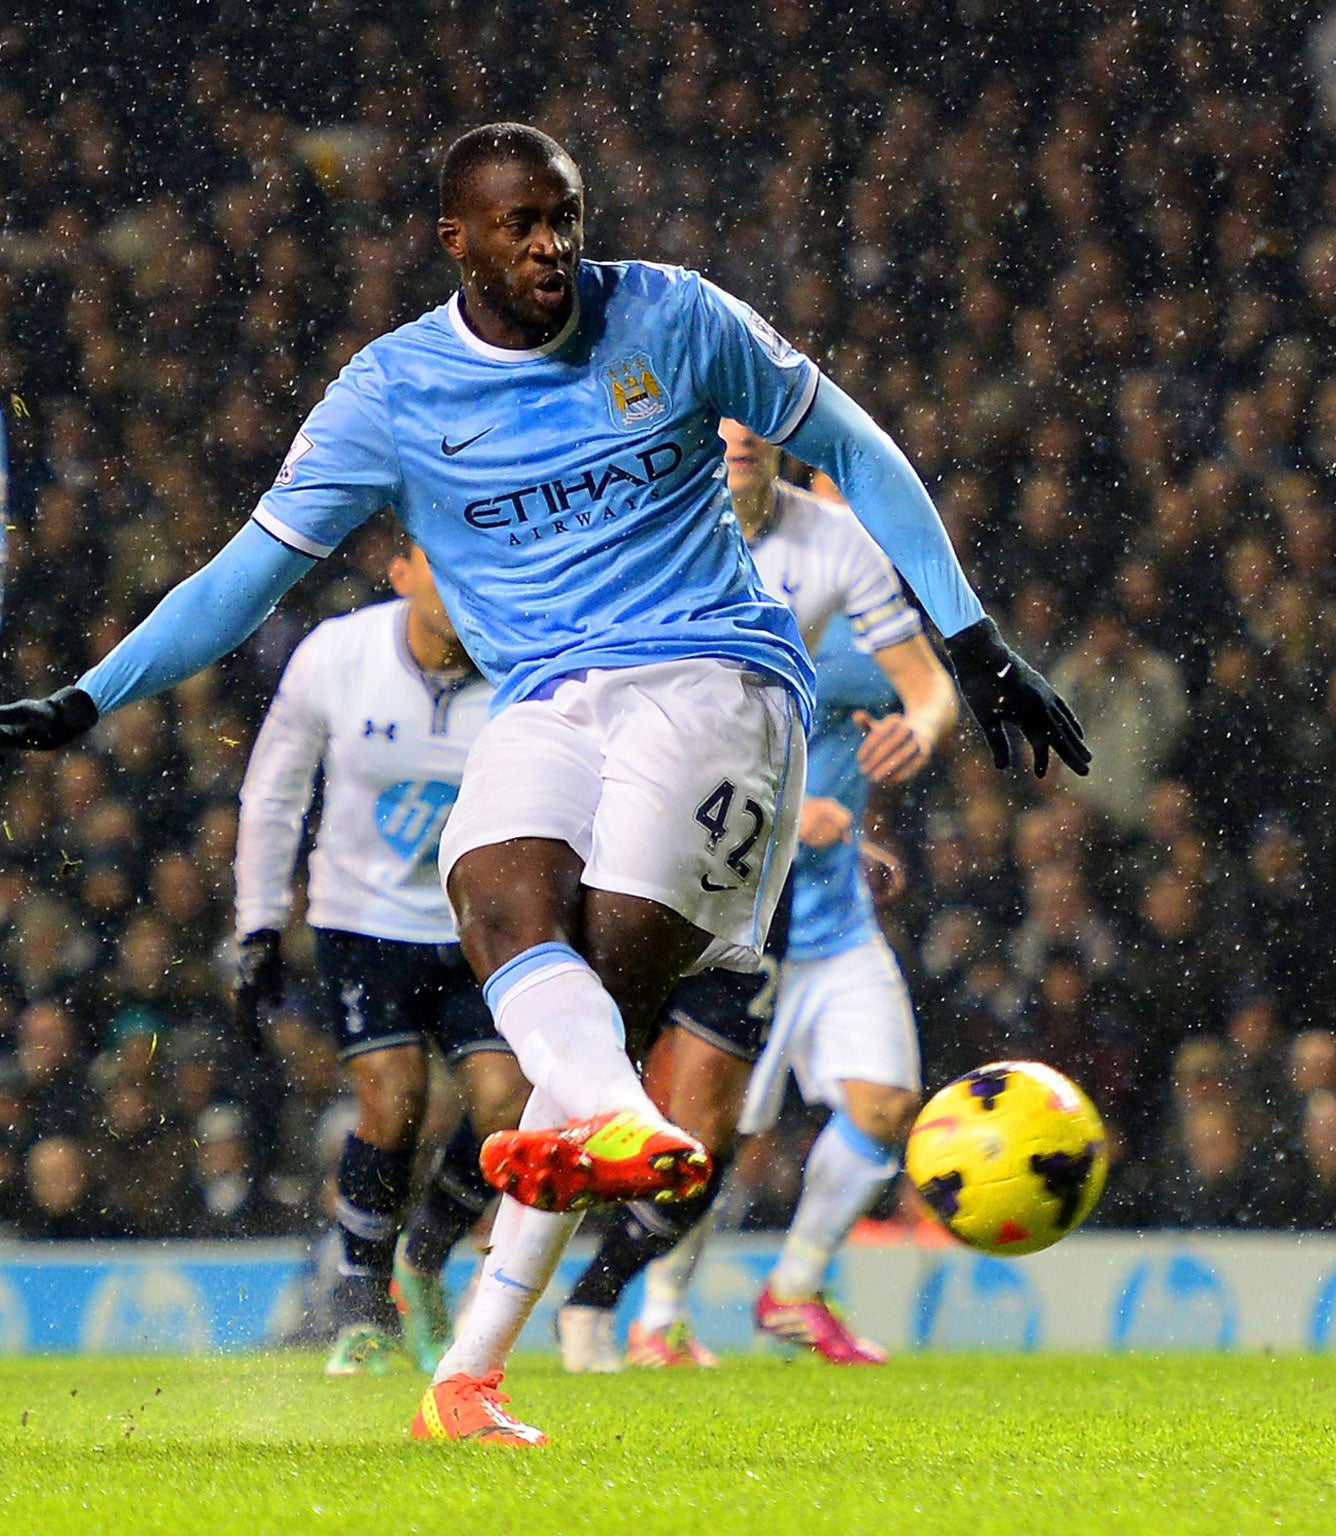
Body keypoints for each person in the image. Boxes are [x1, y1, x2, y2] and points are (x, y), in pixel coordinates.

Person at [0, 123, 1086, 1445]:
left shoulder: (677, 318)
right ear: (452, 237)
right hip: (547, 696)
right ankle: (471, 1371)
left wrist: (971, 643)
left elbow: (857, 449)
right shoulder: (393, 392)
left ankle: (524, 1273)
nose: (550, 245)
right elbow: (244, 578)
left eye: (564, 217)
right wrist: (89, 699)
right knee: (496, 897)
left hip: (716, 678)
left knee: (605, 986)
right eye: (518, 224)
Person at [555, 419, 956, 1370]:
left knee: (885, 1102)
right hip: (718, 889)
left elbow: (925, 689)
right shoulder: (671, 543)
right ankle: (648, 1307)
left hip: (826, 913)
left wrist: (918, 732)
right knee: (710, 1136)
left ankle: (792, 1288)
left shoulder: (840, 580)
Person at [232, 532, 525, 1374]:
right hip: (362, 920)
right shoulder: (337, 656)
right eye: (447, 563)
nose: (469, 580)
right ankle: (361, 1307)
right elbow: (274, 791)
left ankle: (423, 1255)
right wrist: (257, 927)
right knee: (392, 1098)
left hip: (479, 920)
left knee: (508, 1101)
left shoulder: (522, 666)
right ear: (401, 574)